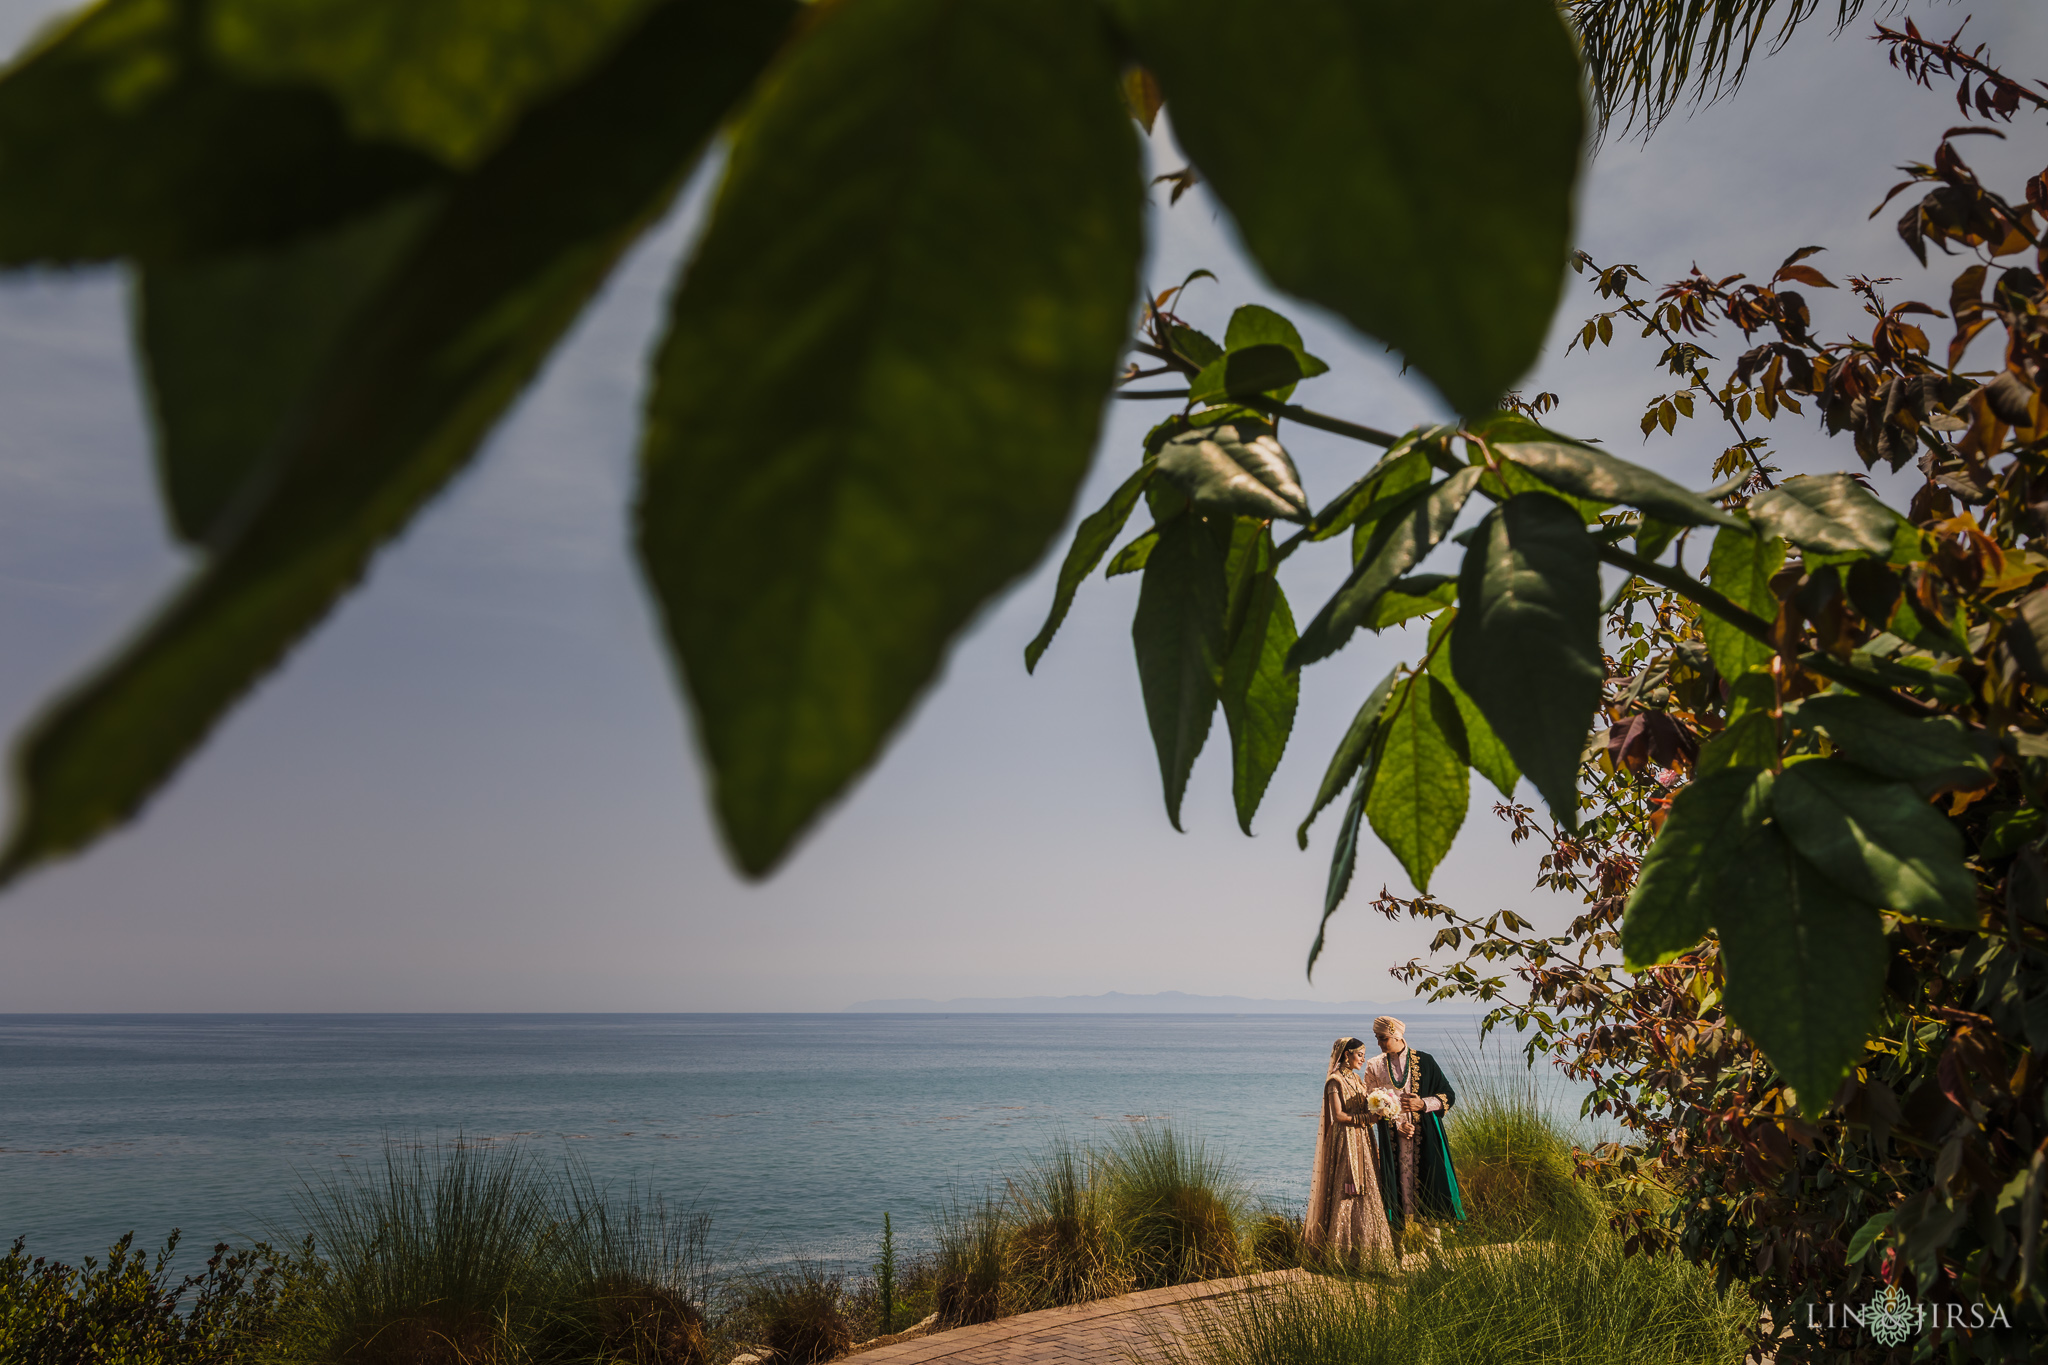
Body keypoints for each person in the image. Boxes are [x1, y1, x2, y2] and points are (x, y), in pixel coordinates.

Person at [1360, 1016, 1466, 1238]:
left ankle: (1435, 1255)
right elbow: (1371, 1102)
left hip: (1425, 1138)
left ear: (1396, 1035)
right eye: (1377, 1039)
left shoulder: (1425, 1061)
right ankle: (1397, 1256)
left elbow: (1448, 1095)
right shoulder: (1374, 1065)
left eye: (1383, 1038)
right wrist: (1397, 1124)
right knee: (1393, 1195)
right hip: (1391, 1142)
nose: (1379, 1043)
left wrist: (1423, 1104)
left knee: (1428, 1192)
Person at [1303, 1036, 1394, 1266]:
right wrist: (1368, 1118)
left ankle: (1367, 1255)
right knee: (1347, 1190)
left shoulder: (1357, 1079)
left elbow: (1367, 1105)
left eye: (1364, 1055)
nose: (1363, 1059)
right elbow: (1339, 1116)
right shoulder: (1335, 1082)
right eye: (1359, 1055)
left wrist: (1383, 1106)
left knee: (1369, 1191)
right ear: (1346, 1055)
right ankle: (1339, 1256)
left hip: (1362, 1138)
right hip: (1345, 1140)